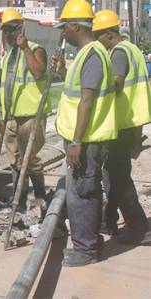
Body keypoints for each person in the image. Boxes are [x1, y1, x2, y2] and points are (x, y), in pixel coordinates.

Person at [54, 0, 117, 267]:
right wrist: (63, 72)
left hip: (87, 140)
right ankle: (89, 242)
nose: (63, 34)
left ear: (74, 27)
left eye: (64, 28)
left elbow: (87, 101)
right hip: (84, 138)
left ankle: (86, 250)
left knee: (82, 194)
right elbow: (80, 91)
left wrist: (77, 142)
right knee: (82, 192)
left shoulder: (91, 54)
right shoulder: (87, 53)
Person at [92, 10, 150, 243]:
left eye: (97, 36)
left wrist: (92, 93)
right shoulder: (132, 48)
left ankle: (139, 228)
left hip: (122, 123)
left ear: (108, 33)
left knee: (118, 178)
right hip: (132, 122)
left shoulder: (118, 53)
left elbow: (114, 83)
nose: (96, 41)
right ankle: (110, 220)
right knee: (114, 175)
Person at [0, 8, 49, 211]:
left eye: (12, 29)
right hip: (11, 117)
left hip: (31, 116)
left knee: (29, 160)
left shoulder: (35, 49)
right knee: (15, 162)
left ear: (21, 28)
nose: (9, 34)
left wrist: (26, 47)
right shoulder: (9, 55)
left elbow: (38, 72)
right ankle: (18, 204)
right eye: (6, 30)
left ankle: (40, 197)